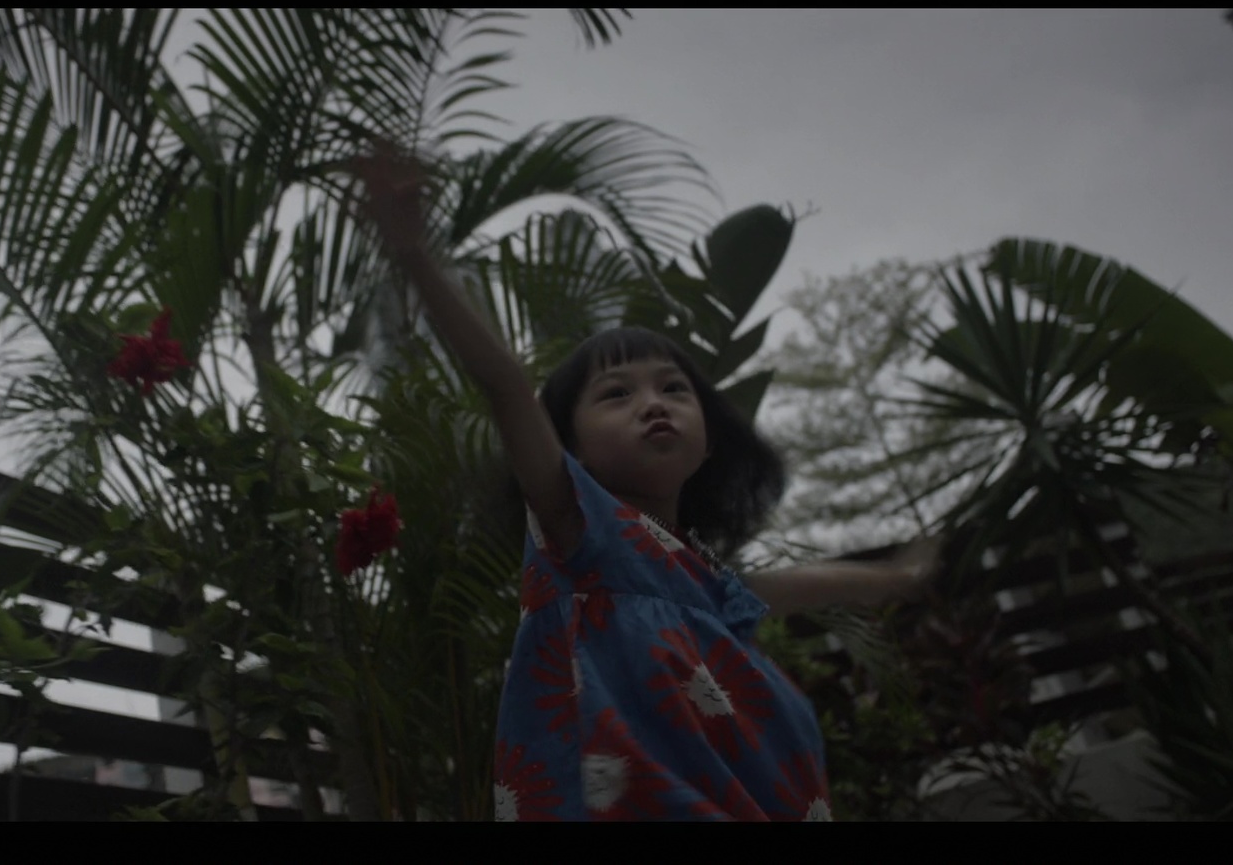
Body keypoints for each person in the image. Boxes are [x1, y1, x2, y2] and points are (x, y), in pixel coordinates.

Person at [350, 142, 942, 821]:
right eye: (616, 394)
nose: (653, 403)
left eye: (672, 388)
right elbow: (507, 385)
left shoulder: (702, 576)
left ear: (710, 433)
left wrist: (901, 576)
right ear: (567, 445)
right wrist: (416, 255)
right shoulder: (576, 529)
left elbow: (802, 583)